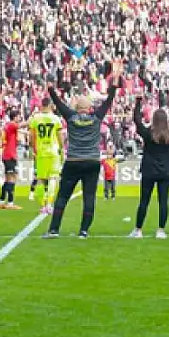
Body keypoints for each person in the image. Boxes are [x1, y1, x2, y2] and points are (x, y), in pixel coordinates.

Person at [43, 76, 118, 239]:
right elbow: (109, 101)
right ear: (90, 107)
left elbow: (58, 103)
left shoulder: (71, 116)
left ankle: (54, 229)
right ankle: (83, 231)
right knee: (89, 197)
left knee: (63, 196)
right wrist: (113, 88)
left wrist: (50, 89)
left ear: (77, 107)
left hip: (74, 161)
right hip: (92, 161)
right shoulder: (96, 117)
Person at [128, 96, 169, 239]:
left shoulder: (148, 134)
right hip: (165, 172)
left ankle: (138, 230)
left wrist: (138, 103)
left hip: (149, 171)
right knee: (163, 201)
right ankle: (161, 230)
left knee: (144, 201)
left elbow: (137, 120)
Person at [28, 99, 64, 214]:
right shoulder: (55, 118)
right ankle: (49, 204)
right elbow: (60, 136)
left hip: (41, 151)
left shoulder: (35, 118)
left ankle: (42, 205)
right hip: (53, 151)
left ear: (41, 105)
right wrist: (62, 148)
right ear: (50, 105)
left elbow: (32, 136)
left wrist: (34, 149)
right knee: (53, 178)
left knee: (40, 179)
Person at [0, 109, 23, 210]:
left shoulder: (9, 126)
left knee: (8, 178)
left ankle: (1, 201)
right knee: (12, 178)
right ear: (15, 117)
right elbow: (22, 126)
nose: (20, 118)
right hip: (9, 155)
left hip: (8, 154)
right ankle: (10, 202)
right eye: (18, 116)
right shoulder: (12, 124)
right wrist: (33, 120)